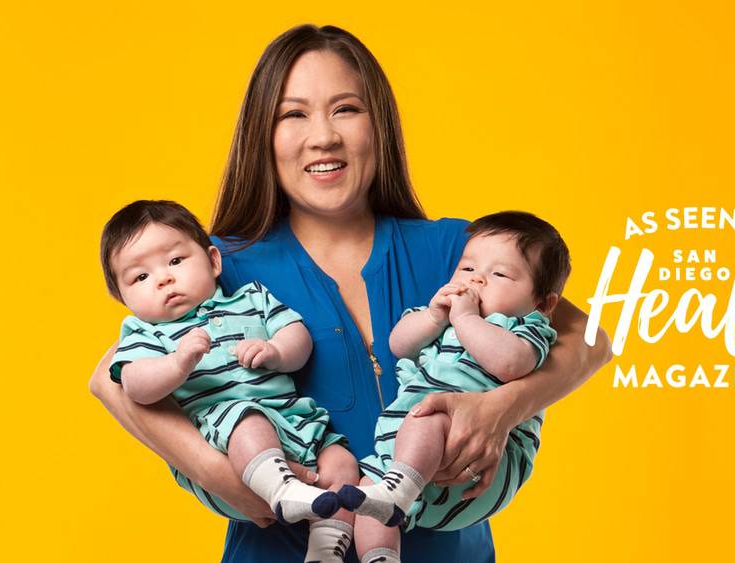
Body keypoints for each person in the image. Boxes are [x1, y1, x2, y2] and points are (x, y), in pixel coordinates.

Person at [89, 24, 613, 563]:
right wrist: (216, 472)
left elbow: (590, 339)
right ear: (262, 136)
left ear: (378, 125)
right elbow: (109, 379)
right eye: (294, 114)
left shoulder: (458, 252)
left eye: (346, 109)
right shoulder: (218, 267)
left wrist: (503, 408)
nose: (324, 137)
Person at [101, 200, 358, 560]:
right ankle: (282, 491)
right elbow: (136, 386)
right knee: (246, 419)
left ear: (213, 261)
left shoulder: (251, 298)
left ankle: (326, 548)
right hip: (224, 439)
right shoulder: (145, 333)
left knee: (344, 463)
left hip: (295, 422)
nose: (163, 278)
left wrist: (277, 351)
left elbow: (297, 336)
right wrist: (177, 364)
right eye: (140, 277)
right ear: (121, 296)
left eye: (175, 261)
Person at [338, 211, 570, 563]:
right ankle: (381, 556)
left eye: (500, 274)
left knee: (432, 414)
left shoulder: (525, 327)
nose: (477, 280)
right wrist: (434, 317)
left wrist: (466, 319)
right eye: (467, 269)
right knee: (367, 495)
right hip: (405, 457)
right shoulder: (441, 317)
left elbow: (511, 364)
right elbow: (399, 344)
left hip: (479, 463)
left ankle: (398, 489)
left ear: (542, 303)